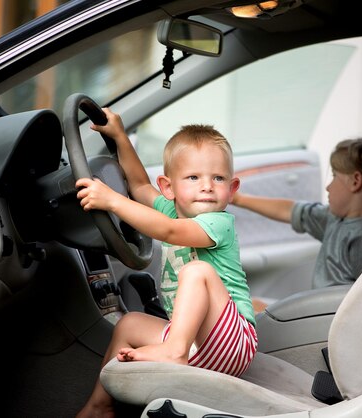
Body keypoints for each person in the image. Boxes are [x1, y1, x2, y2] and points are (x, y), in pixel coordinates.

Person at [75, 108, 257, 418]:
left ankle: (173, 352)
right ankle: (100, 405)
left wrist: (112, 201)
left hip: (233, 342)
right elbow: (140, 187)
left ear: (233, 187)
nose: (207, 186)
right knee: (129, 322)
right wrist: (120, 137)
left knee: (197, 271)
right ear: (169, 187)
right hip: (196, 346)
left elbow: (169, 231)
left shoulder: (219, 222)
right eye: (193, 177)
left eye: (218, 178)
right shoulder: (172, 209)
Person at [232, 135, 362, 293]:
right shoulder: (335, 219)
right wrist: (240, 199)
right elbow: (290, 210)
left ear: (356, 181)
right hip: (316, 312)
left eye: (334, 176)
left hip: (324, 321)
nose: (328, 186)